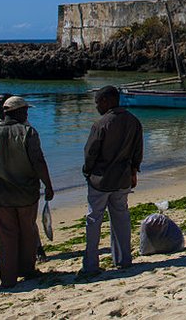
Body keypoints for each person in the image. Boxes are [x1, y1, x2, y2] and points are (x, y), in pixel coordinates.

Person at [0, 96, 54, 288]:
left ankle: (8, 277)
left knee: (6, 235)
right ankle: (27, 270)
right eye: (24, 110)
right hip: (27, 193)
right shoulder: (28, 132)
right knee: (27, 232)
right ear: (16, 113)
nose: (26, 113)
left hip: (1, 195)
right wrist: (48, 185)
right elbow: (38, 162)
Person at [81, 86, 144, 275]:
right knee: (121, 218)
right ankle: (124, 259)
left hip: (101, 179)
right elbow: (138, 151)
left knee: (94, 220)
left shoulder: (101, 124)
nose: (96, 106)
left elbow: (90, 153)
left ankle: (91, 264)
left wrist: (87, 172)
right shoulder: (134, 121)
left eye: (98, 102)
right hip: (123, 177)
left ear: (107, 101)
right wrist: (133, 171)